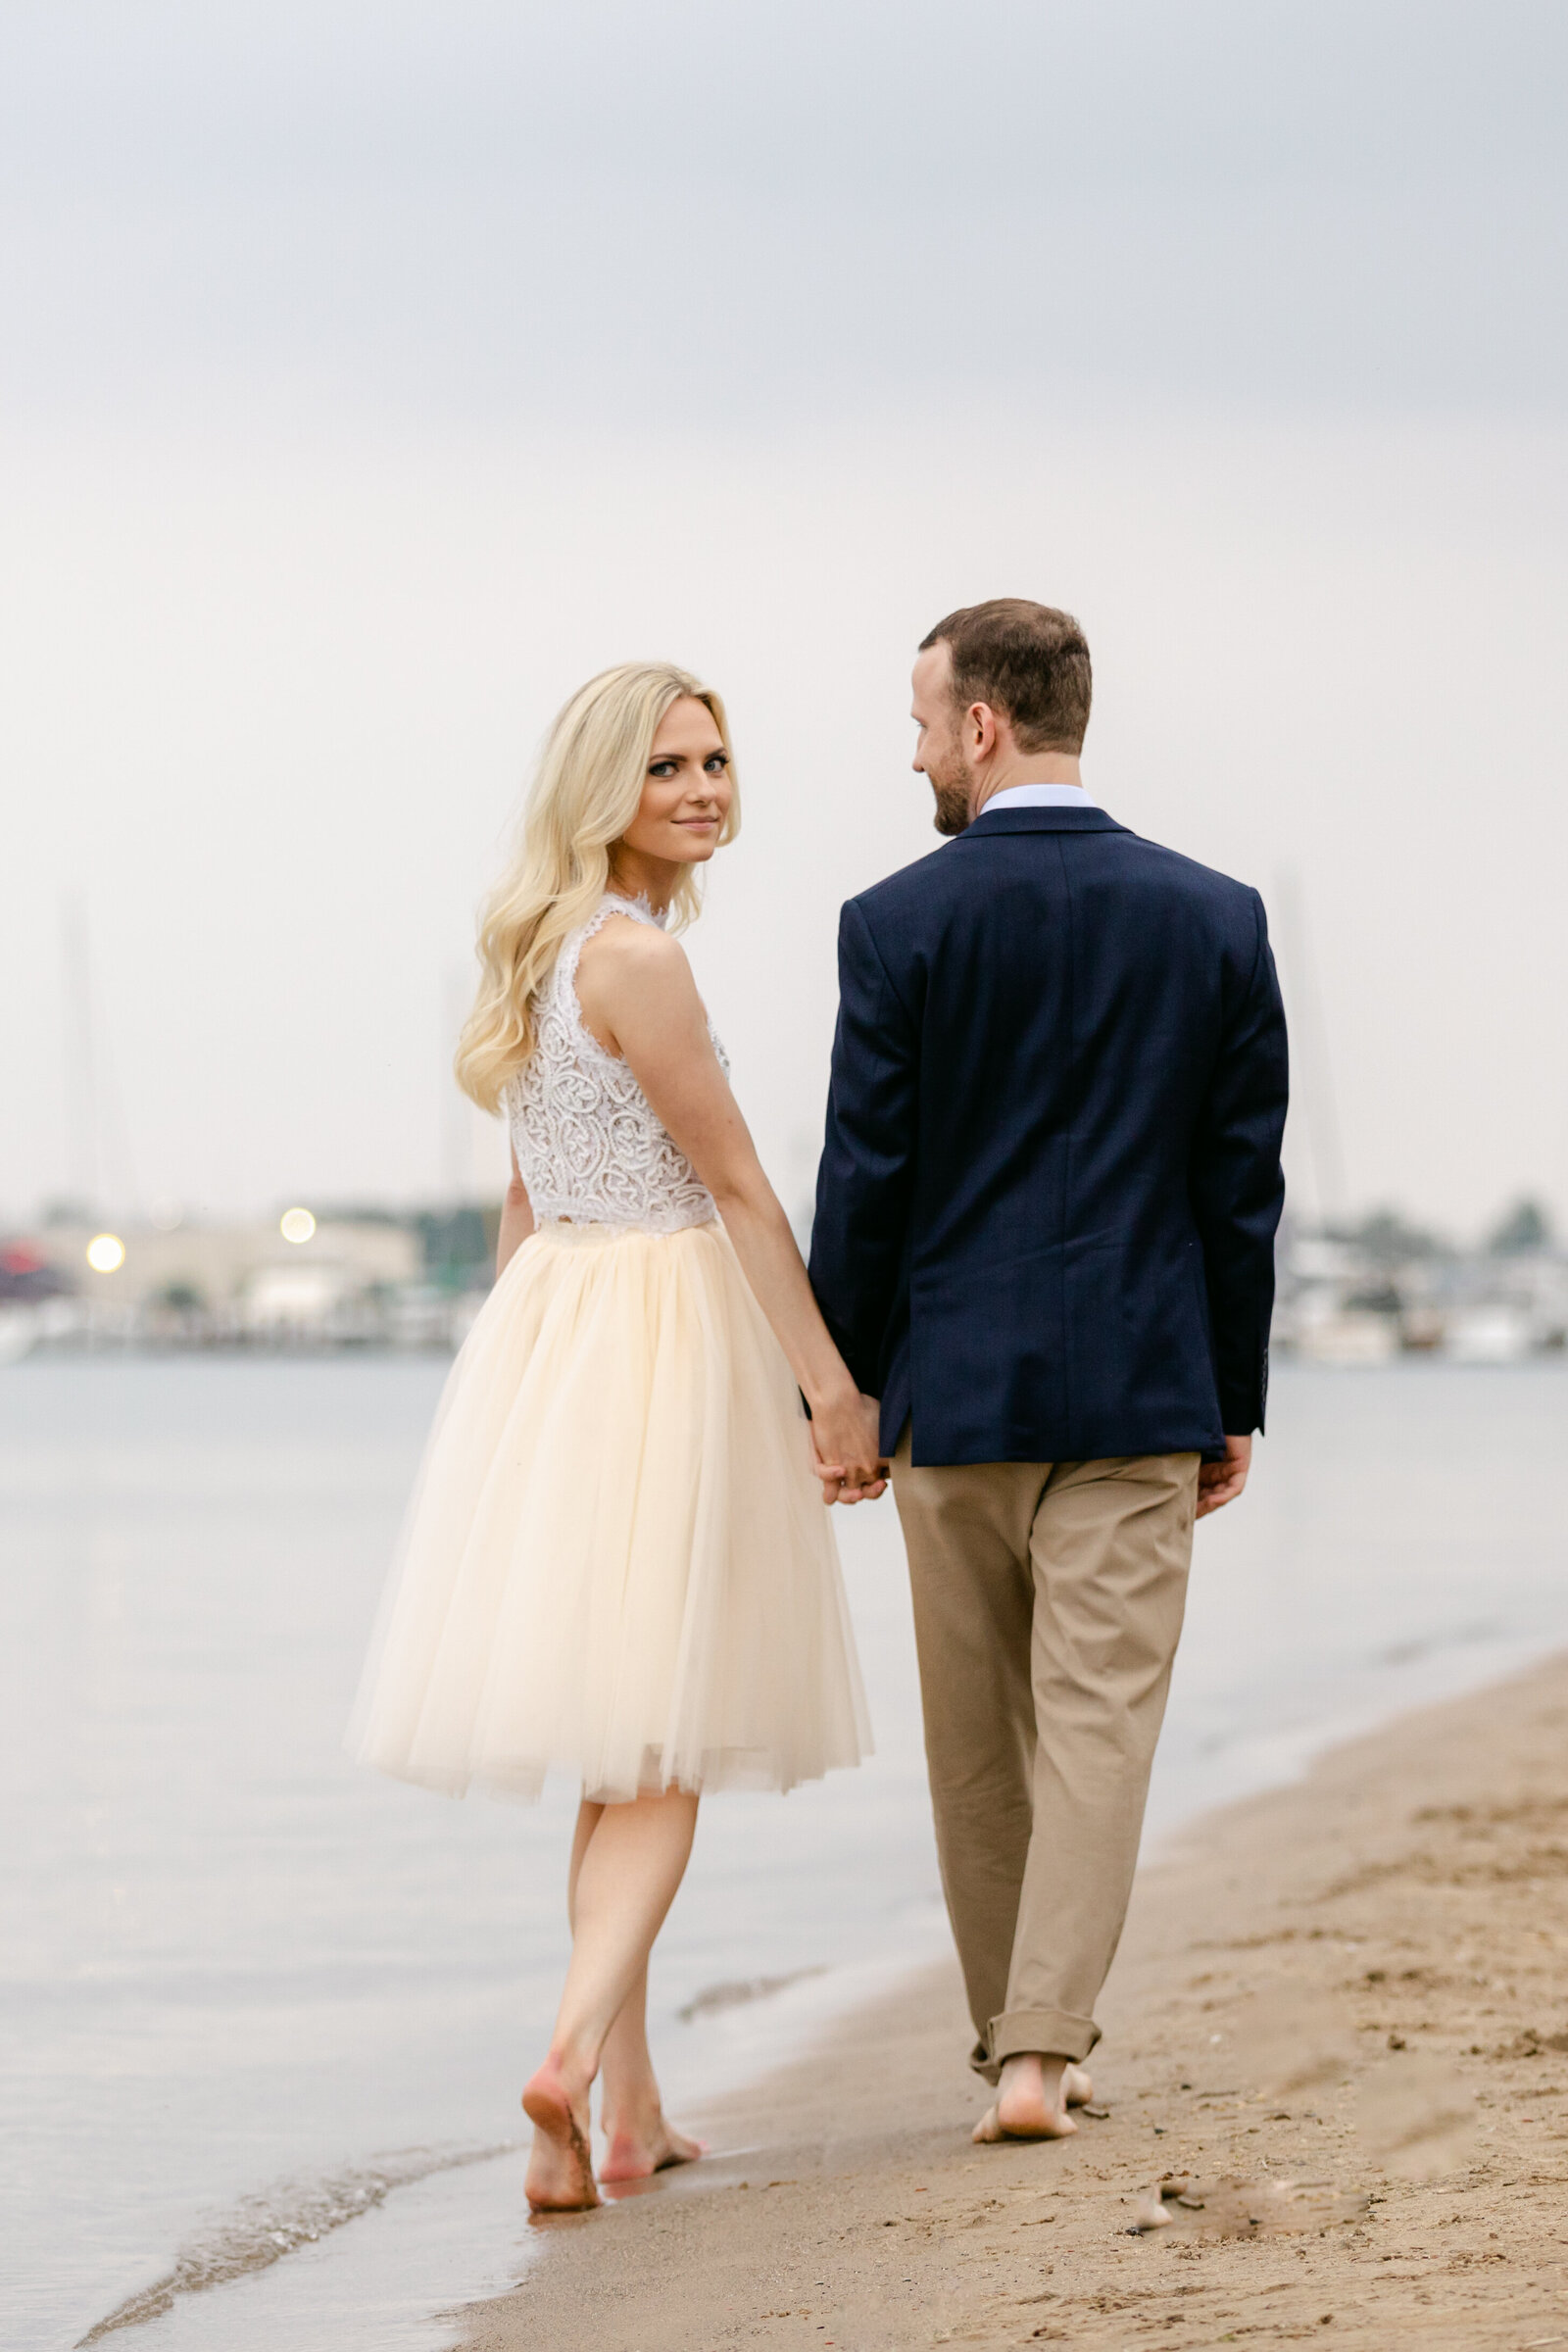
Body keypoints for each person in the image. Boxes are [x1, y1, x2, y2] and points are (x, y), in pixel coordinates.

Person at [348, 662, 880, 2211]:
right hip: (660, 1333)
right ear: (606, 789)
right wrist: (830, 1388)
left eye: (717, 761)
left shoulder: (528, 950)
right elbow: (739, 1190)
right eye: (669, 767)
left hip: (560, 1330)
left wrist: (509, 1403)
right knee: (663, 1749)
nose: (706, 788)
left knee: (617, 1734)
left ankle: (634, 2112)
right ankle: (569, 2058)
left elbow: (524, 1197)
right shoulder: (639, 961)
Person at [808, 600, 1288, 2143]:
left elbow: (867, 1180)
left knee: (977, 1741)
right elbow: (1240, 1183)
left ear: (984, 727)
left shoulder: (895, 922)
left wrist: (847, 1385)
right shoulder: (1215, 915)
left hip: (954, 1392)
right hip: (1146, 1385)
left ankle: (1011, 2044)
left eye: (922, 722)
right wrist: (1234, 1391)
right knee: (1098, 1730)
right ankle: (1041, 2053)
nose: (916, 752)